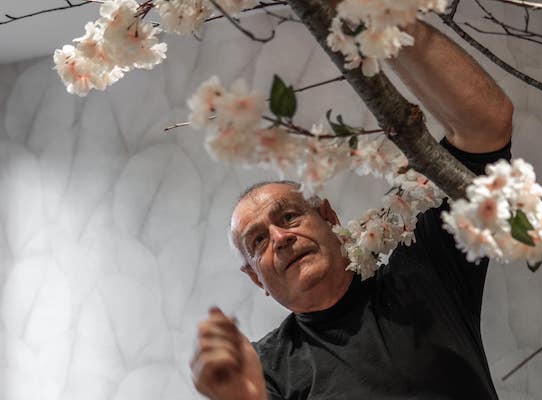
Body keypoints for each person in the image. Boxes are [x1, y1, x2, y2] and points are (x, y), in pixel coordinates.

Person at [189, 18, 513, 400]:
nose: (280, 238)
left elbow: (486, 127)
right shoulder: (264, 372)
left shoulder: (424, 276)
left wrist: (382, 13)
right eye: (258, 241)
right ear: (256, 279)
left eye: (289, 216)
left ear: (329, 218)